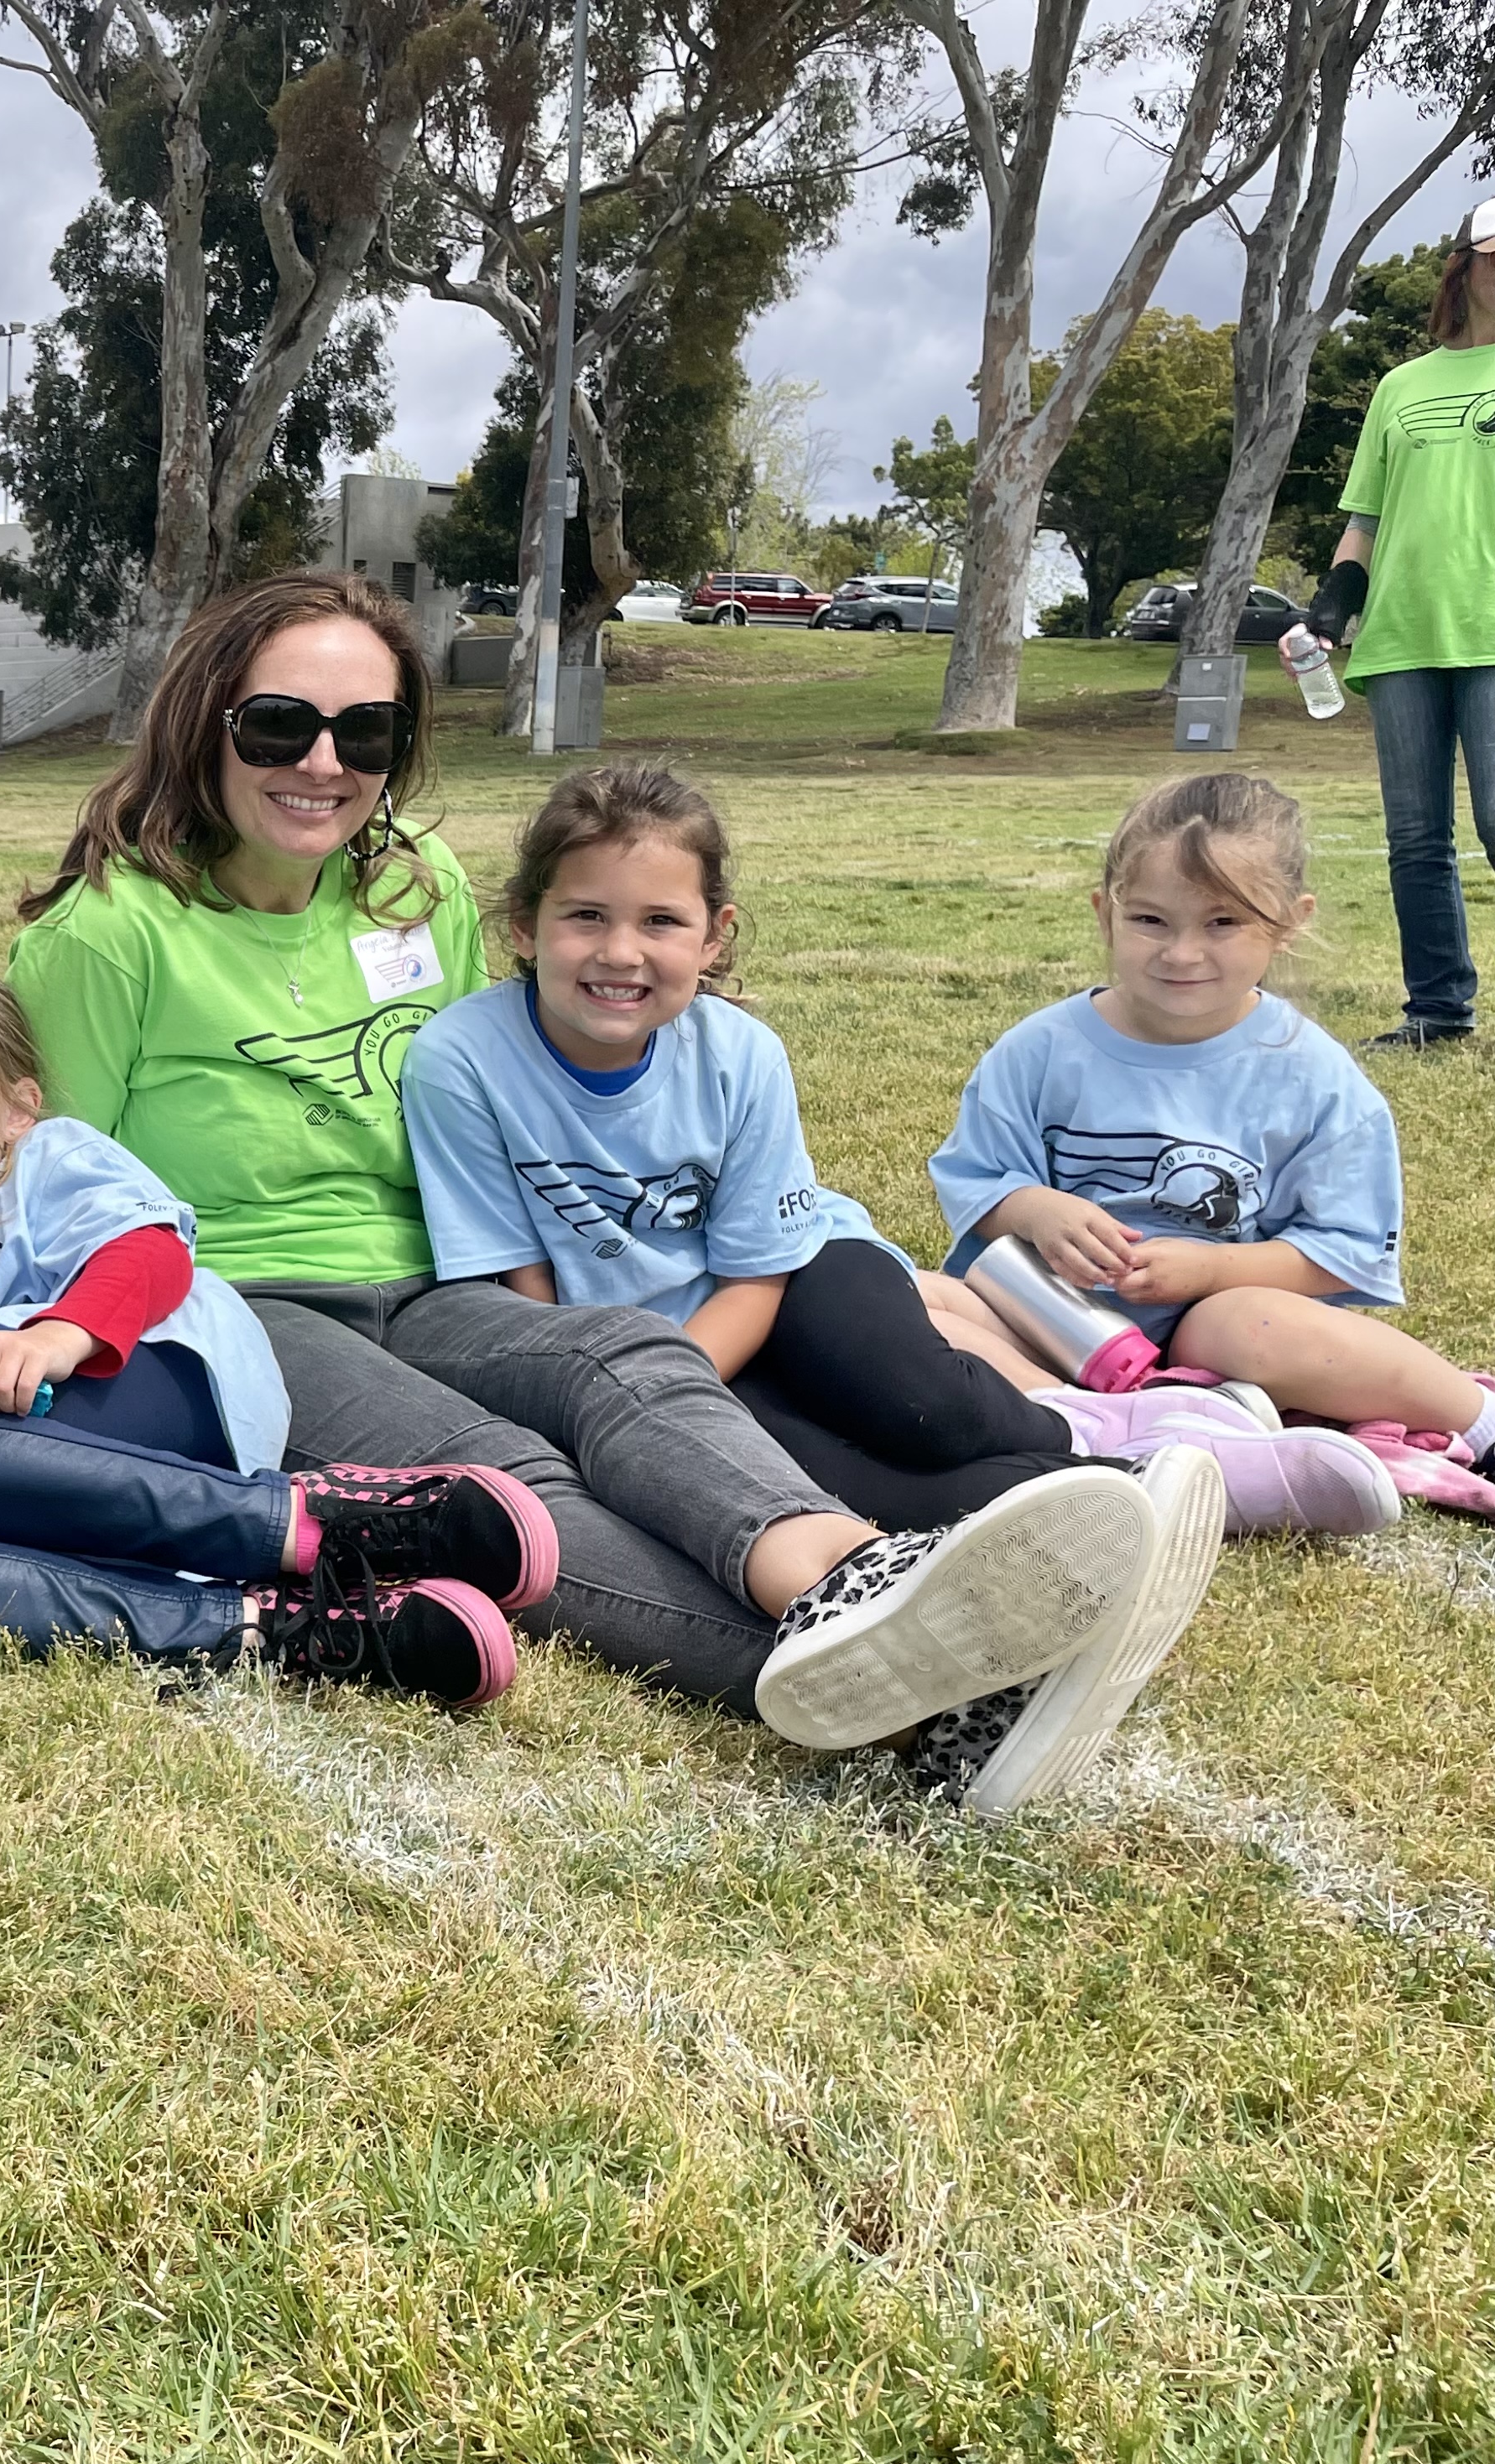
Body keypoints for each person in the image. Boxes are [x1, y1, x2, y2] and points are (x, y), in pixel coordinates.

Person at [6, 569, 1222, 1813]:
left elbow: (517, 1072)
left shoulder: (411, 879)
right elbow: (62, 1190)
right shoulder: (107, 936)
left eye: (365, 731)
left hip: (439, 1280)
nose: (323, 761)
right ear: (205, 718)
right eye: (279, 725)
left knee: (623, 1357)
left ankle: (858, 1580)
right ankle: (897, 1685)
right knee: (501, 1479)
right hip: (256, 1299)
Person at [403, 762, 1396, 1538]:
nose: (621, 953)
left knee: (925, 1408)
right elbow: (518, 1292)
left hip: (794, 1281)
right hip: (629, 1350)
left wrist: (679, 1384)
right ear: (525, 925)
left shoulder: (737, 1051)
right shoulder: (462, 1058)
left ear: (714, 937)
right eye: (586, 916)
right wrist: (637, 1390)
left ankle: (1118, 1425)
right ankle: (1163, 1487)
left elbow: (759, 1275)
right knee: (863, 1490)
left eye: (661, 920)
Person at [0, 963, 556, 1706]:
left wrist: (57, 1335)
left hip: (163, 1386)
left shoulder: (50, 1156)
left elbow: (151, 1255)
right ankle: (271, 1627)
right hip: (55, 1481)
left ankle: (309, 1519)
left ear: (20, 1106)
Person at [932, 770, 1493, 1501]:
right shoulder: (1039, 1050)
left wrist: (1208, 1273)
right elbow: (976, 1178)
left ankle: (1482, 1422)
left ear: (1289, 922)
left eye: (1222, 923)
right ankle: (1101, 1427)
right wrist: (1036, 1209)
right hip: (1050, 1327)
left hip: (1225, 1341)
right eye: (1150, 921)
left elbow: (1342, 1253)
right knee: (909, 1299)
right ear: (1106, 914)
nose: (1182, 953)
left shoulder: (1314, 1076)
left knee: (1249, 1324)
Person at [1305, 196, 1495, 1050]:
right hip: (1402, 638)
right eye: (1492, 256)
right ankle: (1438, 1012)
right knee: (1417, 839)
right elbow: (1365, 522)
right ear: (1464, 268)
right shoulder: (1400, 387)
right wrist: (1328, 610)